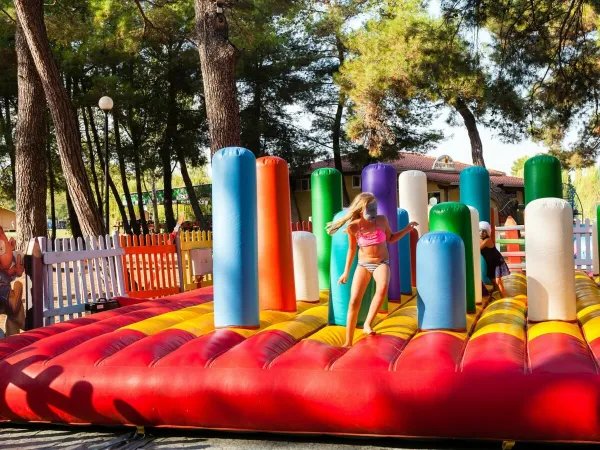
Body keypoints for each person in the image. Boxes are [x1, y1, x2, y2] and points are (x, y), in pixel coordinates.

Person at [326, 192, 418, 348]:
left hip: (381, 262)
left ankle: (368, 324)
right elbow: (351, 250)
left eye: (375, 210)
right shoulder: (353, 227)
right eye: (370, 210)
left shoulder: (382, 221)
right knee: (354, 300)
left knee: (382, 287)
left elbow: (390, 238)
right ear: (362, 209)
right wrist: (346, 272)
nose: (374, 214)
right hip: (363, 265)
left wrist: (407, 229)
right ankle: (348, 341)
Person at [479, 221, 510, 299]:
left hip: (497, 262)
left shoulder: (487, 240)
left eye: (484, 232)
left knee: (498, 281)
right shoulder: (479, 240)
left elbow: (478, 248)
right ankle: (495, 296)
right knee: (492, 280)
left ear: (488, 232)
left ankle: (504, 298)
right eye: (480, 231)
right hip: (490, 263)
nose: (482, 233)